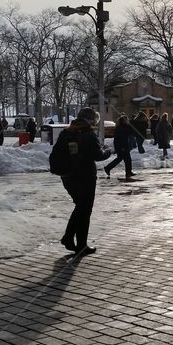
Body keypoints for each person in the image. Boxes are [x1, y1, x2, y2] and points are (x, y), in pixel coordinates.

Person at [56, 107, 111, 255]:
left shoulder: (66, 132)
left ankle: (68, 238)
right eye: (95, 120)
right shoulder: (88, 134)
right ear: (91, 120)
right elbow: (98, 155)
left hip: (67, 176)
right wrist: (108, 151)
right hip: (85, 176)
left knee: (80, 207)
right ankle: (81, 245)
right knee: (85, 210)